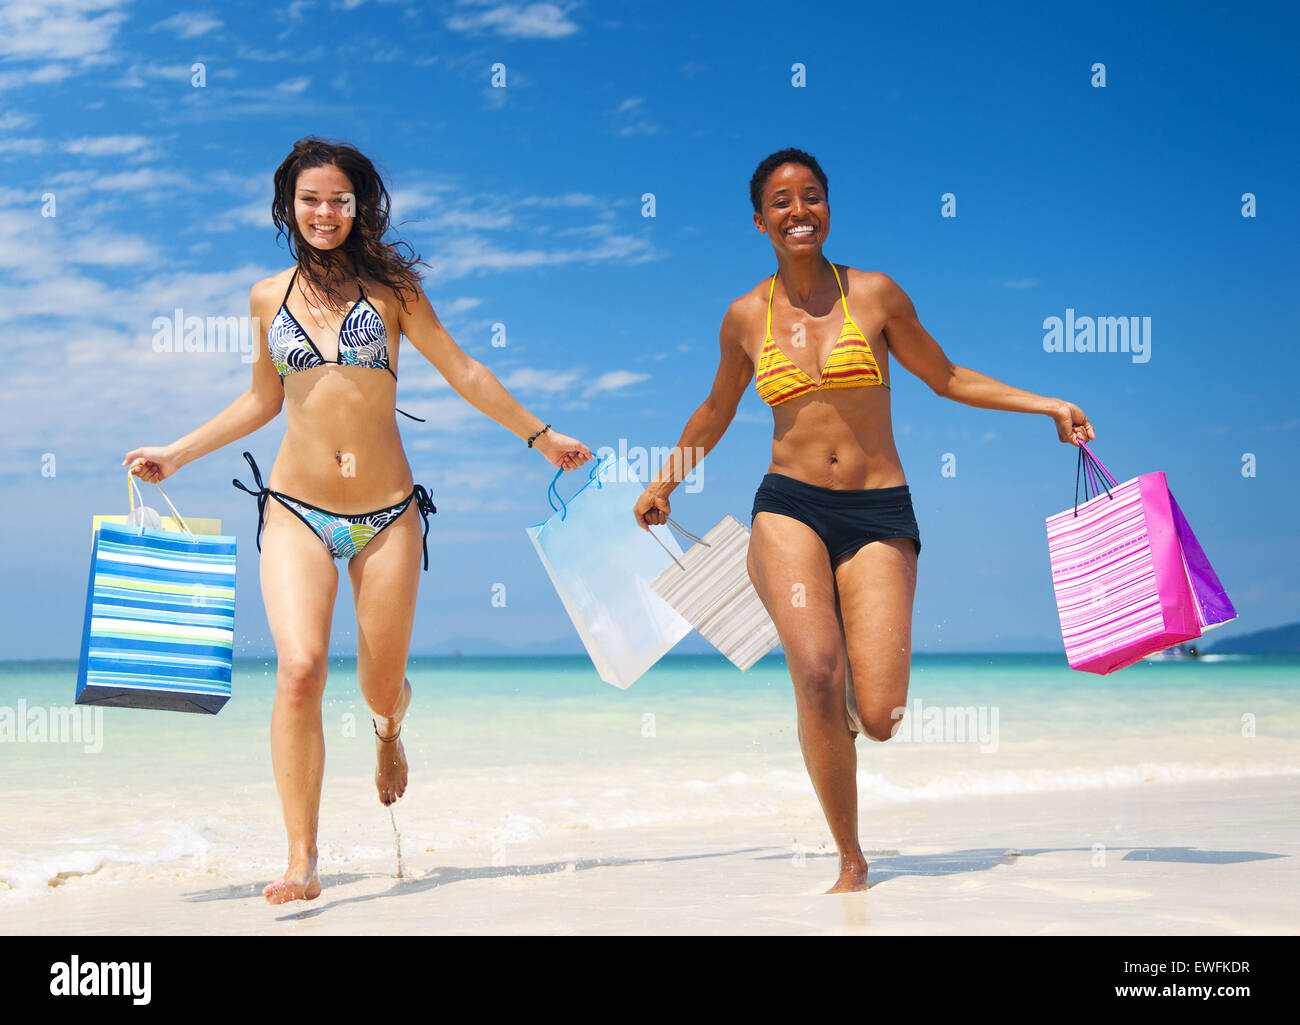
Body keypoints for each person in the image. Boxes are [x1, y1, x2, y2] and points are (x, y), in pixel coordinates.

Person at [123, 137, 592, 904]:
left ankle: (389, 729)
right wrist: (178, 453)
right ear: (289, 205)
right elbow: (261, 400)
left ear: (360, 207)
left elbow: (464, 369)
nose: (325, 212)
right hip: (295, 509)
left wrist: (540, 436)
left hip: (388, 514)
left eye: (340, 199)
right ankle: (302, 857)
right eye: (311, 198)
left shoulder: (394, 291)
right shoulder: (265, 297)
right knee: (301, 668)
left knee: (379, 687)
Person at [633, 148, 1094, 894]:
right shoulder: (744, 317)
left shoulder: (874, 295)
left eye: (810, 197)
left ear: (828, 208)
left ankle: (845, 689)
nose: (798, 212)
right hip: (789, 507)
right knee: (816, 672)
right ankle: (851, 856)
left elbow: (946, 376)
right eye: (781, 202)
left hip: (879, 511)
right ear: (759, 221)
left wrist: (1048, 403)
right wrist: (664, 481)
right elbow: (716, 409)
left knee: (878, 715)